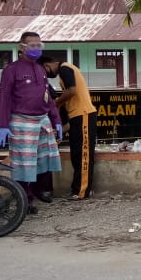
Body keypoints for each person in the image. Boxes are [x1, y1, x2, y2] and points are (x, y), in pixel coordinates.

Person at [0, 32, 62, 214]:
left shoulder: (41, 69)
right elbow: (4, 98)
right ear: (21, 47)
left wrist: (56, 120)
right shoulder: (11, 70)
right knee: (24, 163)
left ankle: (38, 191)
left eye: (39, 45)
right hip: (21, 121)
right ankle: (25, 199)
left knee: (43, 161)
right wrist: (2, 125)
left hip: (42, 120)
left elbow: (48, 98)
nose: (36, 49)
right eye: (32, 45)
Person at [40, 56, 97, 200]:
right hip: (76, 116)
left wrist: (56, 103)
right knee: (76, 154)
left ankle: (82, 191)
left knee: (83, 154)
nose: (47, 74)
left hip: (83, 113)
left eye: (45, 70)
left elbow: (72, 91)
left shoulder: (65, 68)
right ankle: (78, 189)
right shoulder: (64, 73)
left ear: (49, 64)